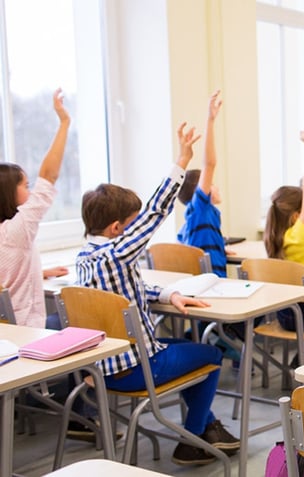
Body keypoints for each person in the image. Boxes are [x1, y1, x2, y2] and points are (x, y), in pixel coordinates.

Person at [76, 123, 239, 466]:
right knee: (210, 355)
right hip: (136, 367)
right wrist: (182, 159)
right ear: (118, 229)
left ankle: (205, 427)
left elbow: (125, 291)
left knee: (185, 349)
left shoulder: (86, 259)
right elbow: (155, 212)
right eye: (132, 225)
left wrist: (168, 293)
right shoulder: (116, 253)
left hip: (103, 367)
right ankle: (192, 439)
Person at [0, 89, 70, 329]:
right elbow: (48, 176)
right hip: (27, 331)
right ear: (8, 192)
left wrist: (39, 273)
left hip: (7, 332)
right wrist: (64, 122)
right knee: (78, 319)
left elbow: (6, 278)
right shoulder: (16, 230)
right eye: (25, 186)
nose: (30, 192)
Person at [264, 130, 304, 332]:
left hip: (284, 315)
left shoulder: (273, 237)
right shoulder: (299, 233)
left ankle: (303, 354)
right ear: (297, 216)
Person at [177, 90, 228, 278]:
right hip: (213, 286)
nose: (216, 186)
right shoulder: (200, 210)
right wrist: (210, 120)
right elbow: (209, 163)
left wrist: (220, 247)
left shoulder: (191, 221)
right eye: (211, 184)